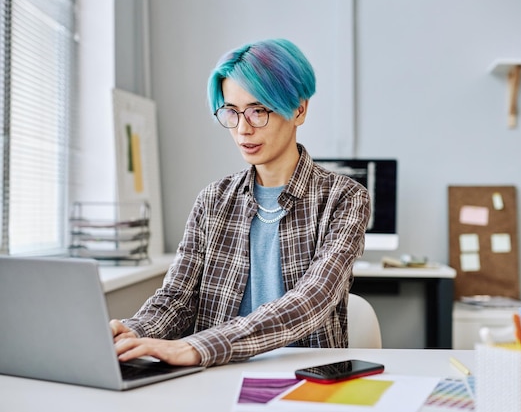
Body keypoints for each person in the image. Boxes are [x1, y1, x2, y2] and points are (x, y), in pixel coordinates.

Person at [110, 38, 371, 368]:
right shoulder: (213, 200)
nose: (243, 129)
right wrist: (130, 333)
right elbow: (177, 298)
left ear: (299, 109)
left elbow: (312, 300)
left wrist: (197, 347)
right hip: (217, 376)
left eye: (258, 111)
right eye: (231, 112)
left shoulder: (345, 197)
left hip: (309, 380)